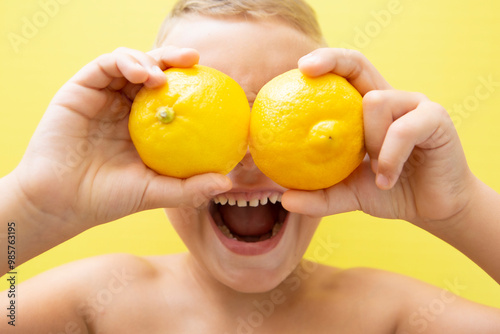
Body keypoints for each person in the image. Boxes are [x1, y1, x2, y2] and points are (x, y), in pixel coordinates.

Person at [1, 0, 500, 332]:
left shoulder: (393, 316)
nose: (244, 161)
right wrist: (34, 205)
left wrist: (460, 210)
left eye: (274, 116)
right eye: (215, 120)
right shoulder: (94, 304)